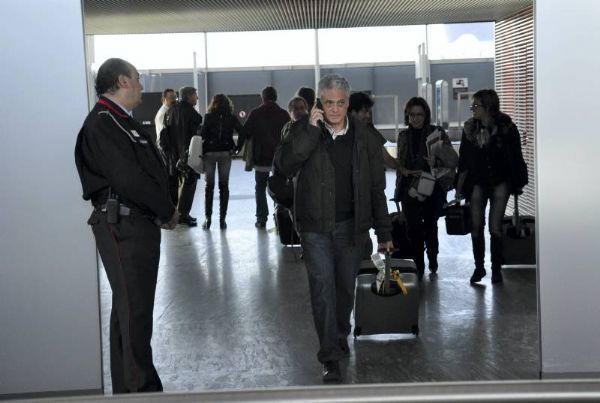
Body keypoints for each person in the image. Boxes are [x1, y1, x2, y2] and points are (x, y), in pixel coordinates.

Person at [274, 74, 392, 383]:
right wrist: (310, 132)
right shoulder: (301, 130)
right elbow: (284, 165)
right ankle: (329, 354)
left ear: (348, 103)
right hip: (314, 228)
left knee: (343, 289)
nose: (335, 109)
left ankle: (340, 332)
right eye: (329, 103)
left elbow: (377, 187)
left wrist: (385, 232)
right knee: (322, 289)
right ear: (319, 103)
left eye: (340, 103)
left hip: (351, 228)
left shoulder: (364, 135)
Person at [74, 58, 178, 393]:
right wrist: (166, 209)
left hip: (135, 225)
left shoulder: (120, 121)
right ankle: (140, 391)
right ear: (122, 80)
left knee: (129, 311)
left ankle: (127, 390)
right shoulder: (105, 123)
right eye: (137, 78)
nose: (141, 84)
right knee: (134, 313)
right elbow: (129, 178)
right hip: (124, 226)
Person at [458, 89, 528, 284]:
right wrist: (461, 187)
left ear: (488, 107)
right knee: (476, 225)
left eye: (476, 106)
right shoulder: (470, 128)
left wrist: (518, 182)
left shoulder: (506, 127)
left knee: (495, 226)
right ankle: (479, 267)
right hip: (477, 182)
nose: (472, 109)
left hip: (500, 182)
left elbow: (515, 156)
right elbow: (464, 159)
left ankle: (496, 269)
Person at [394, 97, 458, 280]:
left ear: (426, 115)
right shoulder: (403, 136)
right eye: (412, 115)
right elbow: (401, 163)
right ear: (408, 116)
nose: (416, 118)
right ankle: (418, 263)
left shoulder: (436, 133)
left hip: (432, 184)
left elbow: (452, 159)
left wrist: (436, 161)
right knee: (412, 227)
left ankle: (432, 255)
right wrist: (398, 191)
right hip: (410, 184)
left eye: (419, 114)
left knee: (430, 225)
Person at [239, 86, 290, 228]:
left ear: (262, 98)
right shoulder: (284, 113)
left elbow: (245, 131)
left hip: (261, 157)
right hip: (279, 157)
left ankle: (261, 219)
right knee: (279, 186)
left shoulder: (255, 113)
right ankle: (279, 216)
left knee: (260, 187)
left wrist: (237, 148)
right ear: (276, 97)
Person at [199, 94, 243, 230]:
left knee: (209, 186)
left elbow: (203, 135)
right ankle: (222, 220)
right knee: (224, 186)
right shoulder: (231, 117)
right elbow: (242, 131)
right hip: (225, 153)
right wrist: (237, 148)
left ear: (214, 103)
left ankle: (208, 219)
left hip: (210, 153)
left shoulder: (208, 116)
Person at [162, 86, 203, 226]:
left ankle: (174, 214)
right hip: (188, 154)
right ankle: (183, 214)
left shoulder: (171, 110)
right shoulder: (191, 113)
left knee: (174, 185)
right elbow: (196, 131)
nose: (197, 98)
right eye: (195, 95)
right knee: (190, 183)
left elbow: (165, 131)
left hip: (173, 155)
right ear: (188, 96)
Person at [348, 91, 398, 169]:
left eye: (369, 112)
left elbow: (387, 159)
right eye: (365, 112)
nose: (368, 116)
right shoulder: (341, 135)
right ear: (353, 113)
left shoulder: (370, 131)